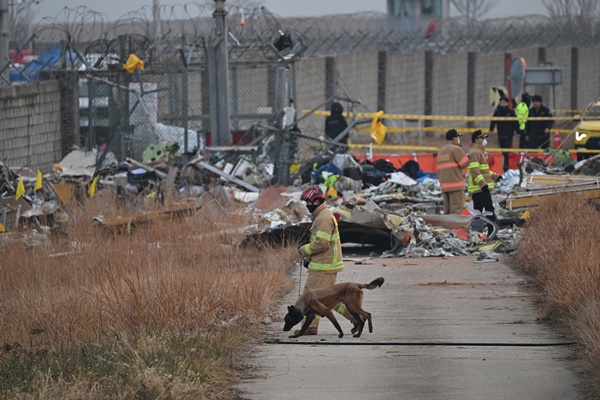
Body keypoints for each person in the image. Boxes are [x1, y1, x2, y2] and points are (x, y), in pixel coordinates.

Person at [297, 185, 357, 335]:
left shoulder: (323, 218)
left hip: (323, 267)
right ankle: (357, 318)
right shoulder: (322, 215)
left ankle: (309, 327)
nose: (307, 205)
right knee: (333, 300)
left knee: (309, 297)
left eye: (309, 202)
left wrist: (304, 250)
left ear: (316, 202)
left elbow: (321, 244)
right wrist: (309, 258)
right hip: (325, 265)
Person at [468, 130, 500, 232]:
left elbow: (484, 171)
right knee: (489, 210)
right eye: (483, 138)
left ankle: (477, 233)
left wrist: (496, 177)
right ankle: (492, 231)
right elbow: (474, 170)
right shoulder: (475, 152)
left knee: (478, 212)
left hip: (479, 189)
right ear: (477, 140)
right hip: (480, 189)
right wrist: (483, 184)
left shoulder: (478, 152)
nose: (485, 140)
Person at [436, 129, 470, 215]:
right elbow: (464, 163)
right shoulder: (455, 149)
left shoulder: (441, 151)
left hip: (445, 186)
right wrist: (469, 157)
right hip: (456, 186)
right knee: (457, 211)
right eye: (457, 137)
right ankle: (455, 228)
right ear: (454, 138)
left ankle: (447, 227)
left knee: (447, 211)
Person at [489, 96, 519, 172]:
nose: (502, 104)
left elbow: (515, 122)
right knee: (503, 151)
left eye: (504, 102)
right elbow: (493, 121)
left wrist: (518, 131)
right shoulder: (498, 111)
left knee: (506, 151)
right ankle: (504, 166)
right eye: (501, 102)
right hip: (500, 134)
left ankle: (506, 167)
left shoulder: (511, 111)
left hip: (509, 134)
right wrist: (491, 129)